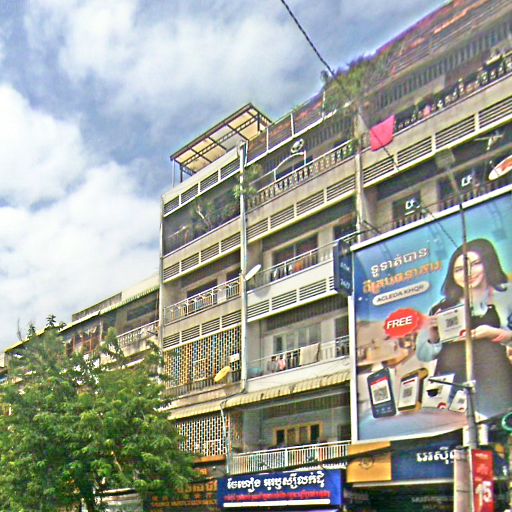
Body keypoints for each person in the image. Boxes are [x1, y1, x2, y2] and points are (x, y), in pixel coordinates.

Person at [416, 238, 512, 418]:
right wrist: (433, 336)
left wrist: (498, 335)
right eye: (459, 269)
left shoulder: (506, 295)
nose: (467, 273)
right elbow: (423, 355)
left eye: (475, 264)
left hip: (496, 385)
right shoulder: (439, 309)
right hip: (449, 390)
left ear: (488, 263)